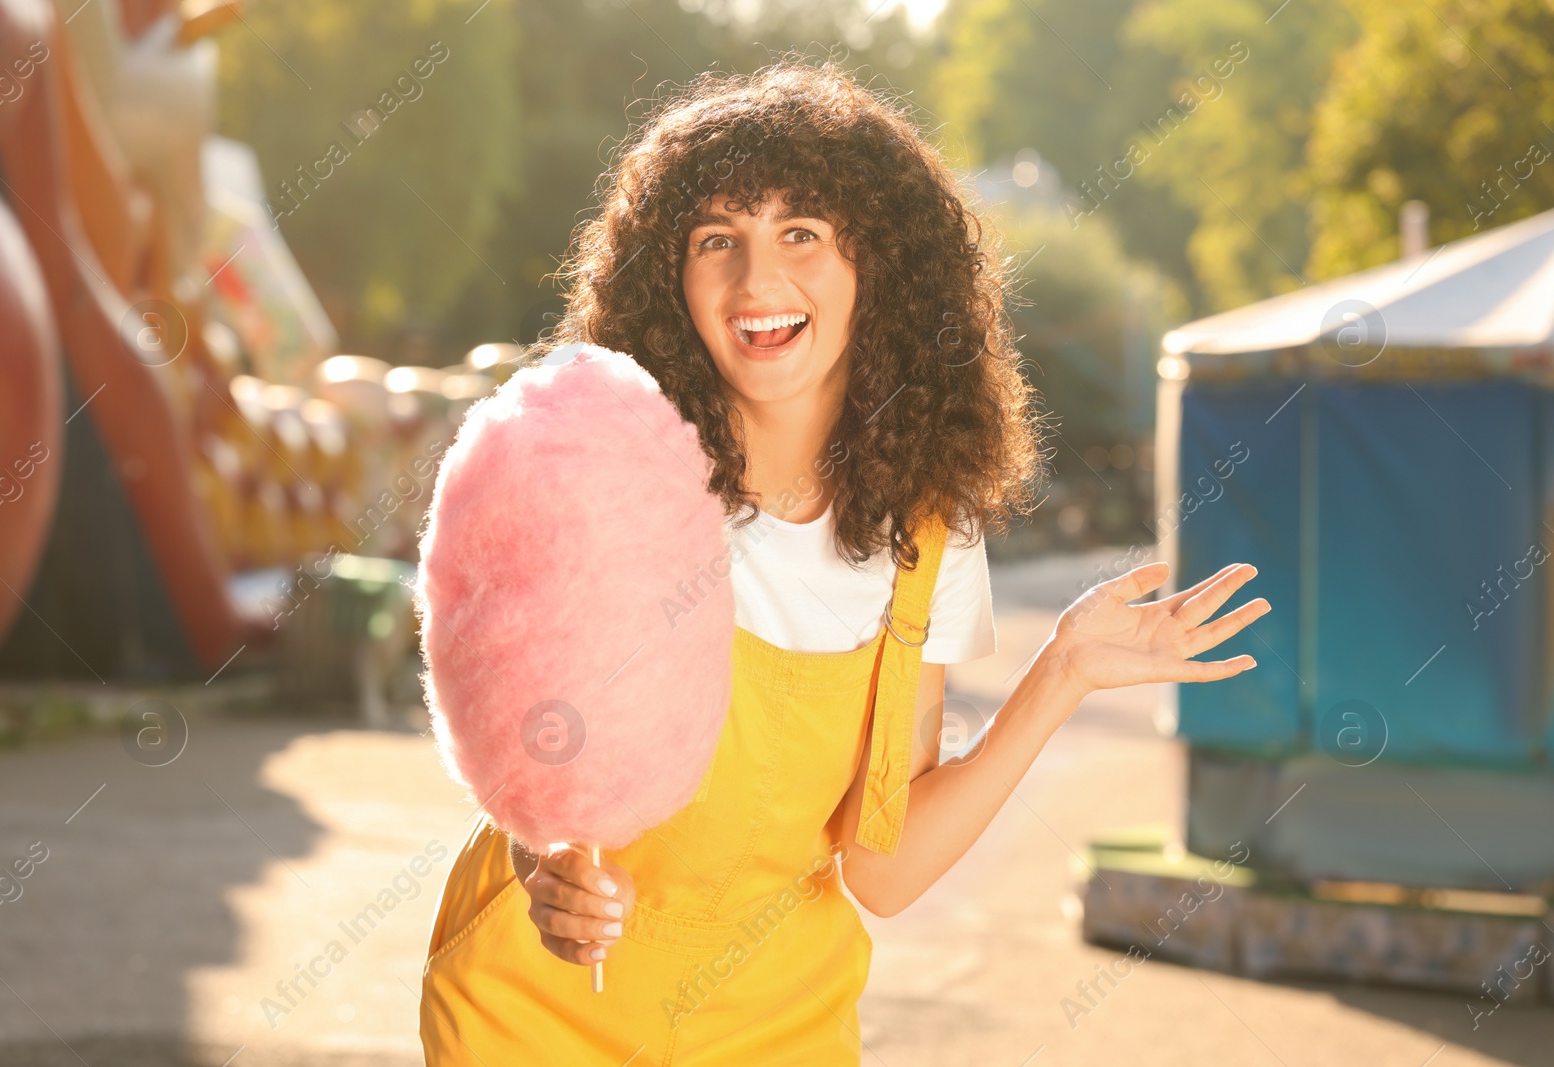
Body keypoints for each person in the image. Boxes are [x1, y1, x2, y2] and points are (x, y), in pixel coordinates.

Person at [418, 60, 1268, 1066]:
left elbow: (883, 868)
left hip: (778, 1017)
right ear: (668, 274)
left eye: (801, 233)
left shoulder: (925, 536)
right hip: (542, 1005)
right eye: (715, 240)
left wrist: (1064, 671)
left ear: (879, 266)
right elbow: (518, 722)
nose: (756, 280)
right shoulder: (604, 461)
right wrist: (543, 853)